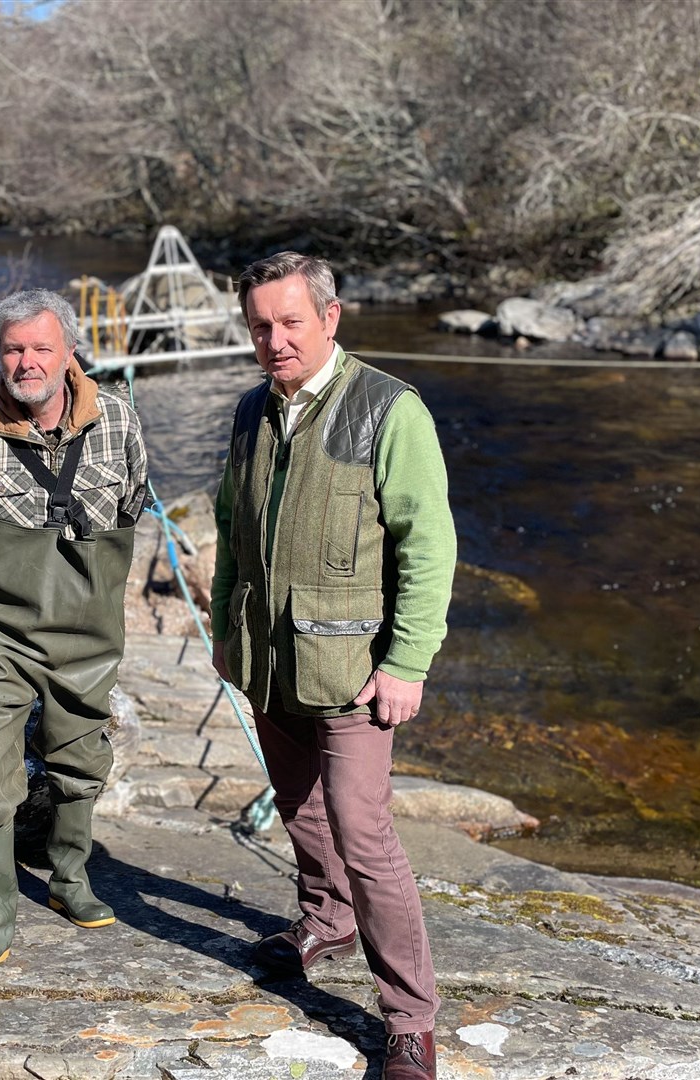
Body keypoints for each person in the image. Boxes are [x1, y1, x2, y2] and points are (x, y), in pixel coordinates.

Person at [210, 252, 456, 1080]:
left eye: (290, 323)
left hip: (355, 671)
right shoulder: (250, 411)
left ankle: (410, 1022)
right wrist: (224, 631)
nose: (275, 341)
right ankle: (325, 918)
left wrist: (407, 663)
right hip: (268, 660)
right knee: (298, 807)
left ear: (331, 318)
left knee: (364, 831)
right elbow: (231, 532)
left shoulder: (391, 411)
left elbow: (431, 547)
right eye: (260, 326)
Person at [0, 289, 148, 986]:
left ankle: (69, 877)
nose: (26, 362)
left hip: (87, 632)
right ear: (0, 355)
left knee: (82, 760)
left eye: (41, 348)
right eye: (14, 349)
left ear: (69, 352)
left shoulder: (121, 422)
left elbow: (132, 502)